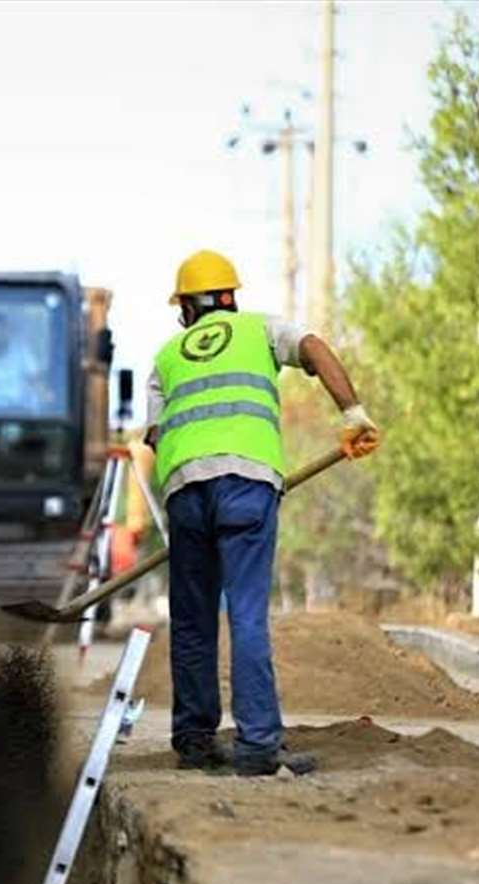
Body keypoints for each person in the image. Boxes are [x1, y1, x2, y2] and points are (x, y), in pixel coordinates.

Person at [143, 250, 380, 777]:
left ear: (187, 308)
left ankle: (196, 742)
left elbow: (158, 437)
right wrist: (354, 414)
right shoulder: (260, 329)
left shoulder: (164, 358)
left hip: (185, 489)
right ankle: (255, 747)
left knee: (193, 621)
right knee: (247, 614)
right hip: (247, 484)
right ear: (230, 296)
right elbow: (315, 348)